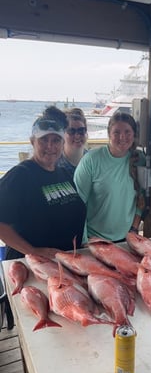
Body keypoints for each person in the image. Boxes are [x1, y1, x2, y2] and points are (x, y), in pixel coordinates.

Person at [0, 105, 87, 260]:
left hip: (63, 262)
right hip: (32, 265)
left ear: (62, 143)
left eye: (56, 140)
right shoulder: (20, 175)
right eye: (44, 140)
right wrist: (32, 250)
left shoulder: (64, 173)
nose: (50, 146)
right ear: (33, 142)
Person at [74, 111, 145, 243]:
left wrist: (134, 229)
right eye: (116, 132)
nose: (122, 137)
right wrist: (84, 241)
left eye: (127, 132)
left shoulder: (140, 159)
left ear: (134, 134)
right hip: (94, 240)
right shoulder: (91, 160)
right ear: (109, 134)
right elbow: (78, 204)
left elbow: (141, 198)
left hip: (126, 239)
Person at [57, 107, 88, 179]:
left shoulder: (93, 160)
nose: (77, 136)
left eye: (81, 131)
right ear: (63, 134)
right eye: (71, 131)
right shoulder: (55, 164)